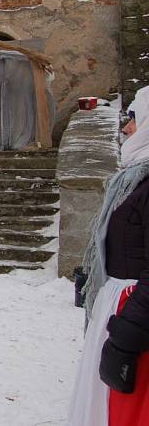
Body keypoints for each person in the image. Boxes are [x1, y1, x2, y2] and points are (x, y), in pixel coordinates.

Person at [69, 92, 149, 425]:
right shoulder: (134, 178)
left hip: (135, 317)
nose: (126, 127)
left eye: (133, 118)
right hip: (120, 308)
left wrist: (127, 335)